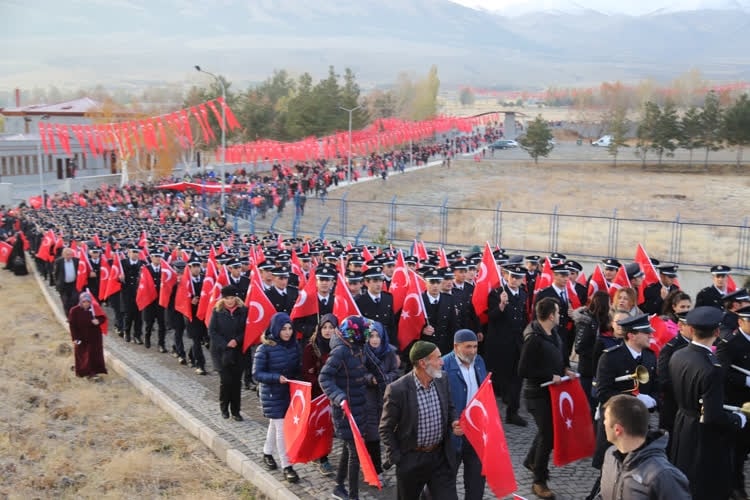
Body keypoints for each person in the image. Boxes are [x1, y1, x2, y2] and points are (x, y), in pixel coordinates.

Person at [670, 306, 747, 500]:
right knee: (706, 485)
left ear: (692, 330)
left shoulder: (678, 354)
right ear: (717, 332)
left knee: (683, 477)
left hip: (682, 423)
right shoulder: (712, 367)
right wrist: (738, 419)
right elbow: (713, 416)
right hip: (703, 434)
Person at [379, 340, 462, 500]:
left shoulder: (442, 378)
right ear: (423, 363)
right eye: (437, 358)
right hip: (412, 459)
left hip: (439, 456)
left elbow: (450, 407)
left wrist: (454, 422)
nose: (442, 361)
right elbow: (385, 428)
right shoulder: (398, 389)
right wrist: (397, 458)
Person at [588, 314, 658, 499]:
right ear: (632, 336)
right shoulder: (611, 358)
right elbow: (603, 392)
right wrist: (634, 400)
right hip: (616, 424)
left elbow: (657, 387)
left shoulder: (650, 358)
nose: (651, 335)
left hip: (640, 425)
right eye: (646, 332)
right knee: (609, 472)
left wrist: (654, 400)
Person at [518, 297, 576, 499]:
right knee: (549, 434)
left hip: (552, 392)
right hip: (536, 394)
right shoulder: (533, 338)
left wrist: (566, 368)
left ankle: (531, 460)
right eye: (558, 312)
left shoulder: (554, 332)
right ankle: (539, 480)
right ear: (551, 315)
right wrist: (549, 376)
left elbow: (560, 355)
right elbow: (523, 369)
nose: (560, 315)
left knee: (546, 430)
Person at [319, 316, 374, 500]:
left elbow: (358, 371)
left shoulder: (358, 348)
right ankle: (352, 495)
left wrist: (368, 379)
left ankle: (338, 486)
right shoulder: (340, 351)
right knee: (355, 452)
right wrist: (339, 397)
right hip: (344, 411)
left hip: (359, 407)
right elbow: (324, 377)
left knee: (348, 449)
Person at [597, 394, 690, 500]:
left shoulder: (663, 475)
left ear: (618, 429)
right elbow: (603, 495)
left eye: (606, 419)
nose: (603, 422)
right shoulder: (610, 455)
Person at [253, 311, 301, 484]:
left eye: (290, 328)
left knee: (275, 425)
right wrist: (276, 378)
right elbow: (256, 374)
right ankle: (287, 466)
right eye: (283, 329)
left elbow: (297, 368)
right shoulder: (264, 348)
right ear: (275, 329)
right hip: (272, 393)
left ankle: (267, 452)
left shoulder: (294, 345)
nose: (287, 332)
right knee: (282, 429)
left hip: (289, 392)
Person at [442, 329, 488, 500]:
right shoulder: (444, 365)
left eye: (475, 346)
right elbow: (440, 400)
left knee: (477, 479)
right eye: (468, 347)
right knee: (445, 479)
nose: (473, 351)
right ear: (456, 346)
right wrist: (450, 423)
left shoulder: (479, 361)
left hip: (476, 430)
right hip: (454, 432)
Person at [486, 263, 528, 426]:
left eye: (518, 277)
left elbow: (523, 316)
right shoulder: (496, 294)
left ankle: (513, 413)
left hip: (517, 342)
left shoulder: (523, 294)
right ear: (505, 276)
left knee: (517, 379)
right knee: (498, 381)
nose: (515, 280)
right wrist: (502, 305)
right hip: (500, 344)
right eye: (512, 276)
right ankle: (489, 415)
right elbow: (491, 317)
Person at [716, 305, 750, 499]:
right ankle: (736, 485)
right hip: (737, 402)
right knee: (737, 448)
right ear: (740, 322)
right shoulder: (729, 343)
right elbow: (722, 372)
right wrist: (745, 380)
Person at [363, 320, 400, 485]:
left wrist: (386, 378)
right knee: (372, 435)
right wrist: (371, 379)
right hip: (368, 397)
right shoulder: (362, 353)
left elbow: (395, 372)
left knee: (386, 430)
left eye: (378, 335)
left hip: (385, 397)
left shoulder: (389, 352)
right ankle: (374, 470)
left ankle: (389, 461)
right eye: (371, 336)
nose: (375, 339)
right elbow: (359, 373)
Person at [301, 313, 337, 476]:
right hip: (318, 394)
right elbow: (306, 372)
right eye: (325, 327)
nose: (328, 331)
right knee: (320, 426)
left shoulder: (339, 346)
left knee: (331, 427)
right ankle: (323, 459)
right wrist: (322, 382)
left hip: (336, 393)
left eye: (331, 327)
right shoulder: (311, 347)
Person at [208, 284, 248, 421]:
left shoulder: (243, 310)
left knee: (236, 382)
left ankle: (236, 411)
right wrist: (225, 344)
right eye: (227, 298)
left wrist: (237, 340)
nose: (230, 301)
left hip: (238, 351)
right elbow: (212, 331)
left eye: (232, 298)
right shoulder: (217, 311)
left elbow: (247, 329)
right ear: (223, 299)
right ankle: (224, 408)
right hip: (221, 352)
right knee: (226, 381)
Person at [573, 291, 611, 415]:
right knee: (588, 403)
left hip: (594, 368)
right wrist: (597, 352)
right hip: (587, 369)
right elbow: (579, 347)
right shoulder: (587, 321)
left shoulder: (600, 321)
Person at [68, 291, 107, 378]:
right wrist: (75, 338)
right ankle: (82, 370)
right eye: (84, 302)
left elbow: (103, 317)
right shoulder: (74, 311)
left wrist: (98, 321)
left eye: (88, 302)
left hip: (94, 336)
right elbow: (72, 326)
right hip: (81, 337)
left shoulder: (94, 308)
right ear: (80, 301)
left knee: (93, 354)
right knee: (81, 354)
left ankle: (92, 371)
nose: (86, 304)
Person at [54, 247, 80, 317]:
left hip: (74, 284)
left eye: (70, 254)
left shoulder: (76, 261)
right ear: (63, 255)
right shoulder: (58, 262)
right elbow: (56, 274)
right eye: (67, 254)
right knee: (65, 302)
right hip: (63, 285)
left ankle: (74, 315)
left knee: (75, 300)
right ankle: (68, 316)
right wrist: (57, 284)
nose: (68, 256)